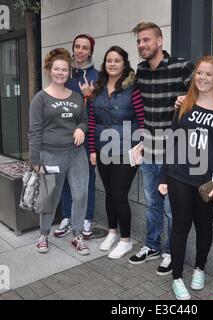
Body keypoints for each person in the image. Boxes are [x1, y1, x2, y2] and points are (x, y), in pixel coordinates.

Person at [158, 55, 213, 300]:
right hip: (179, 175)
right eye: (199, 73)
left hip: (207, 182)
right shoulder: (184, 103)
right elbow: (172, 141)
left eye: (209, 74)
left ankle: (200, 268)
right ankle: (177, 277)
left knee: (203, 227)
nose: (202, 78)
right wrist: (163, 176)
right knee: (179, 226)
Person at [128, 22, 195, 275]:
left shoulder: (182, 66)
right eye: (138, 41)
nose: (142, 45)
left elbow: (203, 94)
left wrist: (187, 100)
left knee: (170, 207)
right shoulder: (141, 71)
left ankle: (170, 252)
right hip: (149, 149)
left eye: (146, 40)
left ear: (160, 41)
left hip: (175, 153)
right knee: (152, 202)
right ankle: (152, 245)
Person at [29, 48, 90, 255]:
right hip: (50, 155)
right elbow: (34, 131)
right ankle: (43, 235)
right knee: (50, 197)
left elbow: (84, 120)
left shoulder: (76, 97)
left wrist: (81, 128)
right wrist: (35, 160)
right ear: (50, 69)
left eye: (64, 69)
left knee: (80, 195)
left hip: (77, 155)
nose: (60, 73)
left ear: (69, 72)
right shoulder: (41, 98)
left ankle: (77, 235)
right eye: (57, 69)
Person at [89, 46, 144, 259]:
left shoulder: (133, 89)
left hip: (126, 150)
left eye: (117, 60)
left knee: (119, 194)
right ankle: (112, 232)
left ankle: (126, 240)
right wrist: (92, 149)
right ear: (105, 64)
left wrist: (140, 145)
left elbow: (142, 118)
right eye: (109, 60)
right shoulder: (98, 88)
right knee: (110, 192)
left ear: (124, 64)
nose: (112, 64)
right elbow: (93, 120)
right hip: (103, 148)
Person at [53, 34, 99, 240]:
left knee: (86, 179)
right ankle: (67, 217)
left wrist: (89, 96)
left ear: (90, 51)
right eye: (77, 46)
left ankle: (87, 218)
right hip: (63, 136)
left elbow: (99, 110)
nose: (80, 51)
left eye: (85, 48)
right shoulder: (64, 73)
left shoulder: (97, 76)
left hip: (87, 136)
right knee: (63, 179)